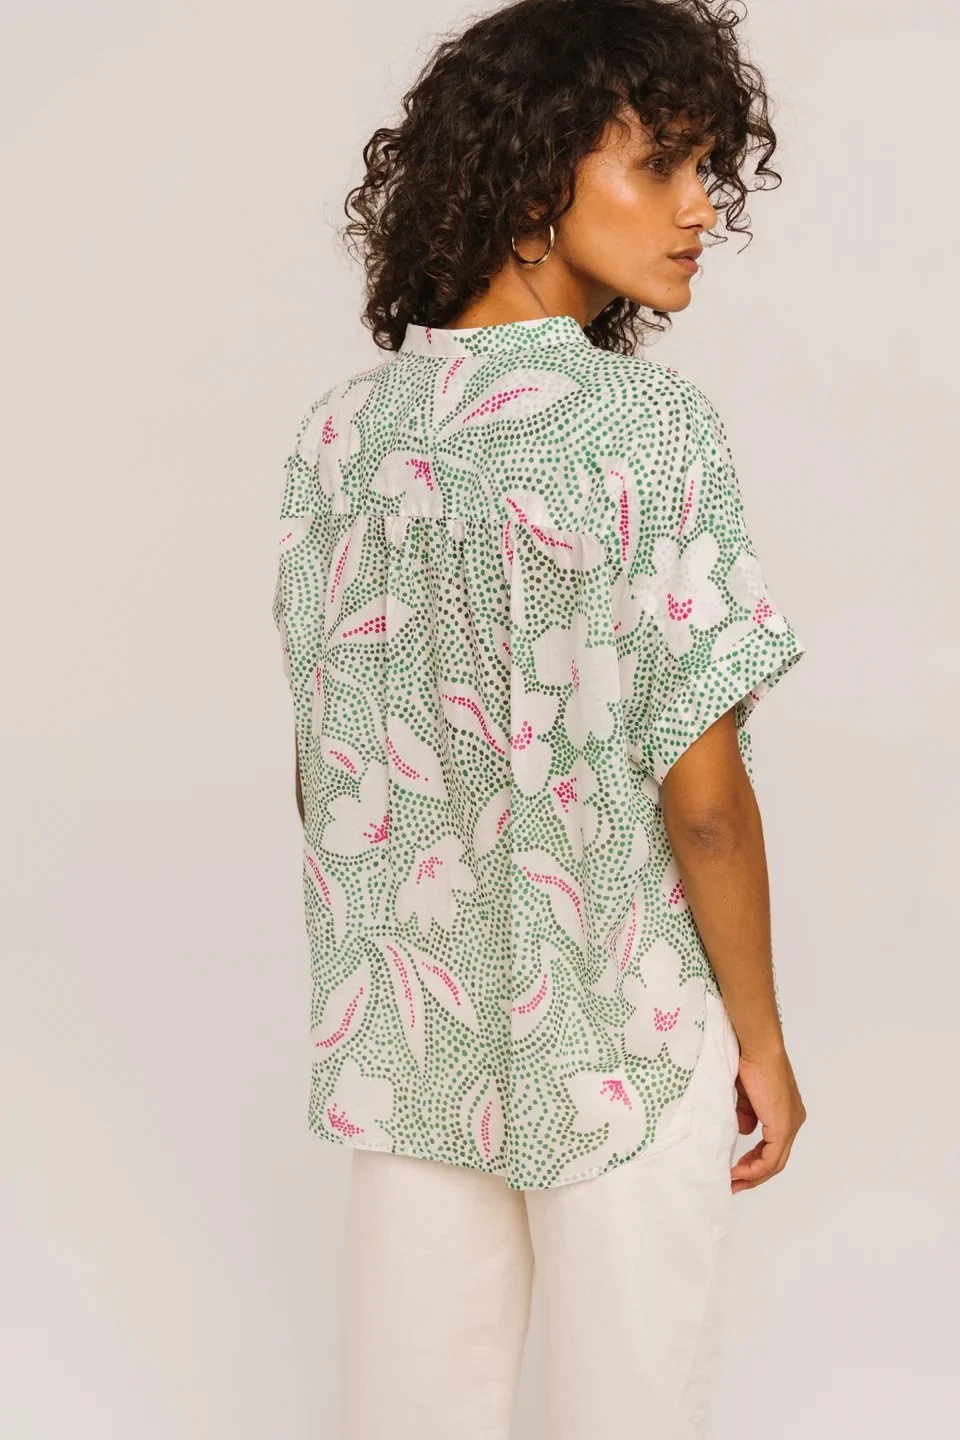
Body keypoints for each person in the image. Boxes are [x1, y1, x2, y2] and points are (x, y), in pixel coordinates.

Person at [271, 1, 809, 1436]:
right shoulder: (651, 433)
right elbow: (704, 799)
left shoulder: (338, 439)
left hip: (411, 1039)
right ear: (528, 183)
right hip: (621, 1031)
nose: (701, 208)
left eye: (711, 170)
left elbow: (324, 775)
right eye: (661, 164)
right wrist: (759, 1042)